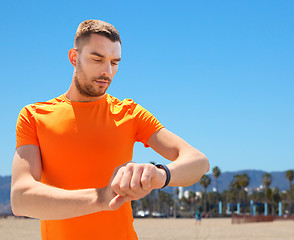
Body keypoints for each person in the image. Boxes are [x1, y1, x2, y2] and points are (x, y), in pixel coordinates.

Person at [10, 19, 209, 240]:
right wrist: (101, 199)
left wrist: (160, 175)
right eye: (98, 59)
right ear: (74, 57)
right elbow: (21, 199)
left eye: (115, 62)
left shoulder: (129, 113)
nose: (108, 71)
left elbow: (199, 162)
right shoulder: (33, 116)